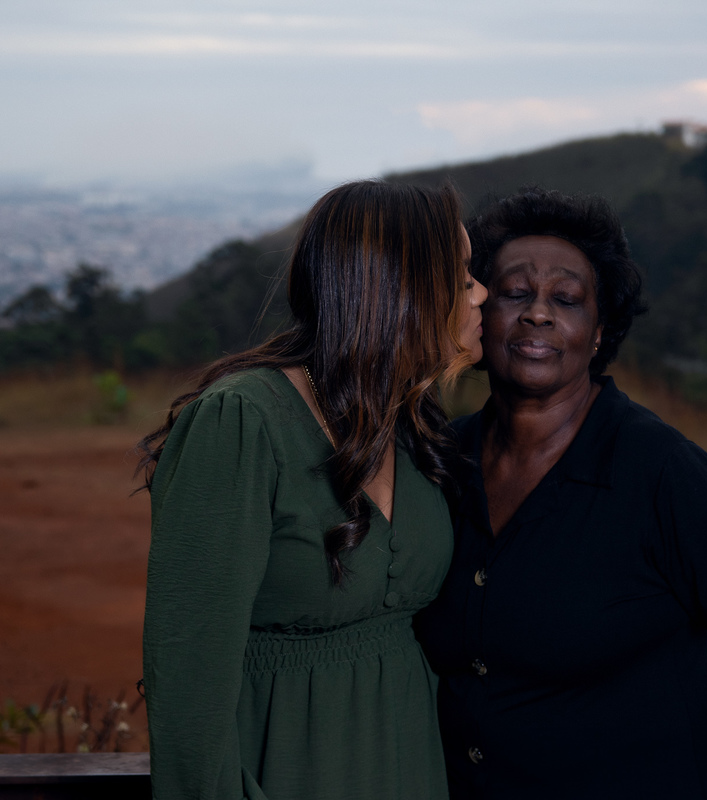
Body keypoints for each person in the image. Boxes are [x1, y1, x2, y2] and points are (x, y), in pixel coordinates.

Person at [417, 188, 707, 799]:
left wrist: (657, 692)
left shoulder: (659, 469)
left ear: (601, 332)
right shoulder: (441, 458)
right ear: (478, 313)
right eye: (515, 292)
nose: (539, 314)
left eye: (568, 300)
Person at [139, 180, 488, 800]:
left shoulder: (410, 422)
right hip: (287, 767)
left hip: (411, 765)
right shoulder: (241, 421)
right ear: (403, 291)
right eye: (462, 278)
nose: (483, 293)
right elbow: (188, 675)